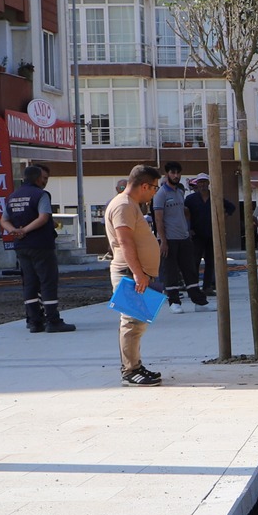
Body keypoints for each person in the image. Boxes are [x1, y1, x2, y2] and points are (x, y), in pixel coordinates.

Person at [107, 165, 165, 386]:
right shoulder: (123, 205)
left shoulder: (129, 205)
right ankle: (130, 371)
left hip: (136, 272)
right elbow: (125, 241)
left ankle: (135, 365)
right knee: (131, 323)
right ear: (144, 186)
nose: (154, 192)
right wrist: (138, 273)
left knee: (138, 323)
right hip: (130, 272)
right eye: (154, 188)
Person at [1, 164, 74, 332]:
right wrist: (25, 230)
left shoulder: (12, 196)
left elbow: (4, 220)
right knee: (47, 281)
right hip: (41, 244)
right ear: (38, 178)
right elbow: (43, 217)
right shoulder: (41, 194)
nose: (45, 181)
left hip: (21, 246)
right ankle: (53, 321)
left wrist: (15, 231)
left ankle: (34, 321)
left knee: (30, 283)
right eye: (44, 178)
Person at [150, 161, 204, 312]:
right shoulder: (160, 194)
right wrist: (163, 241)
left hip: (184, 238)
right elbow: (158, 219)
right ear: (167, 174)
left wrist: (187, 231)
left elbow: (183, 213)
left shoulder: (180, 192)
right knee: (170, 271)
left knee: (190, 269)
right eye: (172, 172)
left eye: (178, 173)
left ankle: (199, 302)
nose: (176, 175)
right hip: (169, 239)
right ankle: (174, 302)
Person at [185, 173, 216, 298]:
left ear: (208, 183)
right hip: (196, 235)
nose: (202, 184)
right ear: (197, 184)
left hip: (211, 235)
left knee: (210, 262)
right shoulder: (190, 199)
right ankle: (194, 287)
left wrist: (220, 221)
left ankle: (207, 287)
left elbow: (230, 207)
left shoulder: (214, 197)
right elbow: (183, 212)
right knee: (194, 262)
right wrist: (188, 229)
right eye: (200, 182)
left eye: (204, 182)